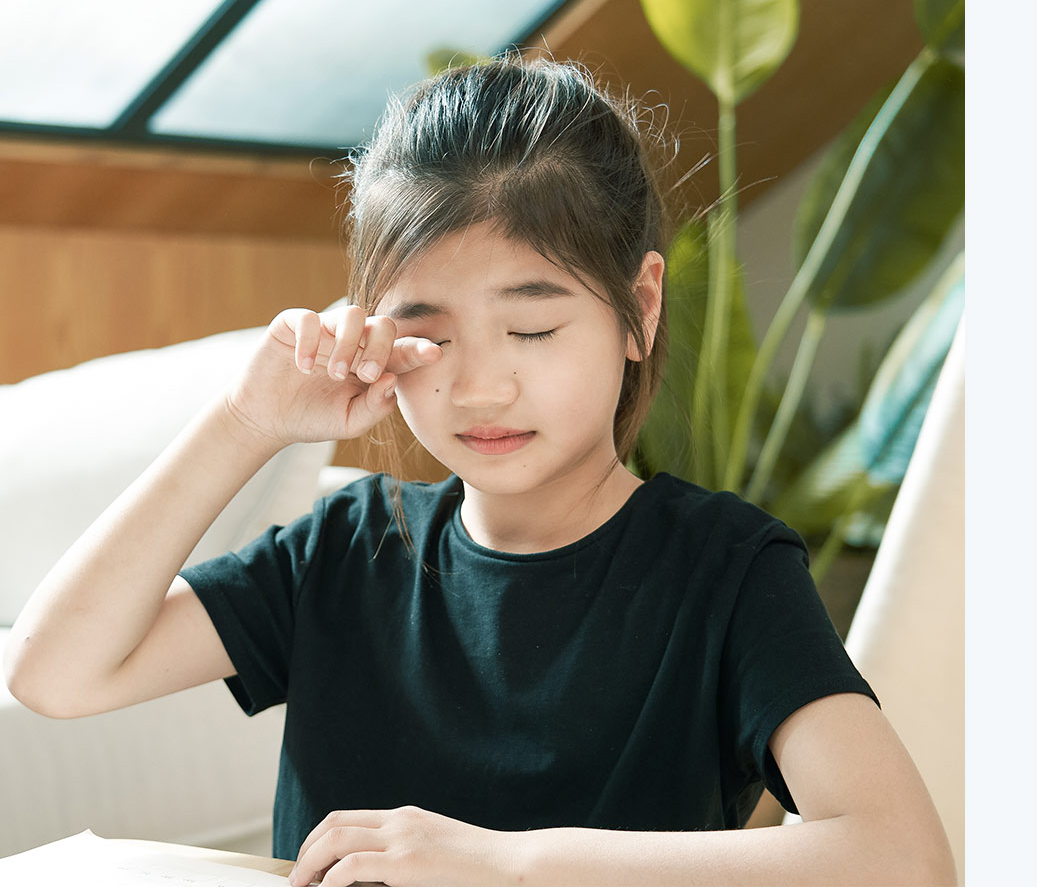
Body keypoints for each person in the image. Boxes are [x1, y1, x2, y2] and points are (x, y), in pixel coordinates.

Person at [1, 53, 956, 887]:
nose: (479, 388)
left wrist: (504, 865)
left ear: (641, 308)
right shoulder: (350, 549)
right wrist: (244, 421)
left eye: (533, 328)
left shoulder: (726, 570)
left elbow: (899, 860)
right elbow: (55, 676)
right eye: (425, 332)